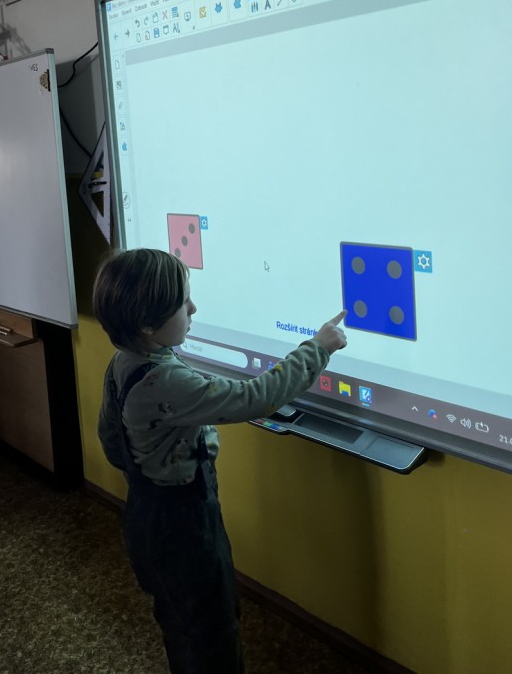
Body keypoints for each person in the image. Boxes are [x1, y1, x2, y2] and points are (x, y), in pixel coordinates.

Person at [93, 247, 347, 674]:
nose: (193, 308)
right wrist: (318, 348)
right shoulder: (164, 380)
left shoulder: (125, 362)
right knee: (210, 631)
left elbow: (110, 439)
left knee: (181, 620)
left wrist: (150, 472)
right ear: (148, 324)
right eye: (183, 302)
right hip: (183, 525)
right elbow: (254, 397)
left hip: (146, 513)